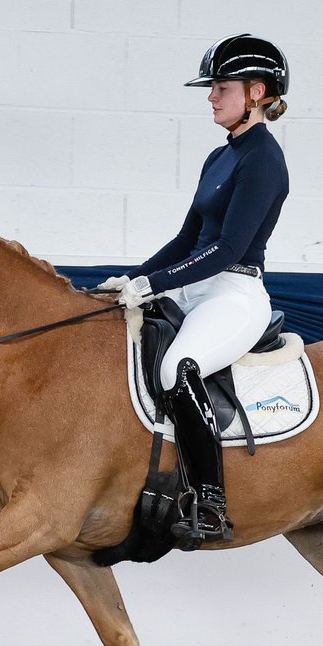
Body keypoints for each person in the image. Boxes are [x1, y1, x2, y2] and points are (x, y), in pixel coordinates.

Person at [96, 33, 290, 548]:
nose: (210, 97)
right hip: (192, 286)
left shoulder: (264, 160)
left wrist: (153, 284)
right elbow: (186, 239)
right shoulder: (217, 158)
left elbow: (227, 250)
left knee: (177, 368)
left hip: (233, 293)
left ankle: (210, 501)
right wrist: (129, 279)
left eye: (220, 88)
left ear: (256, 92)